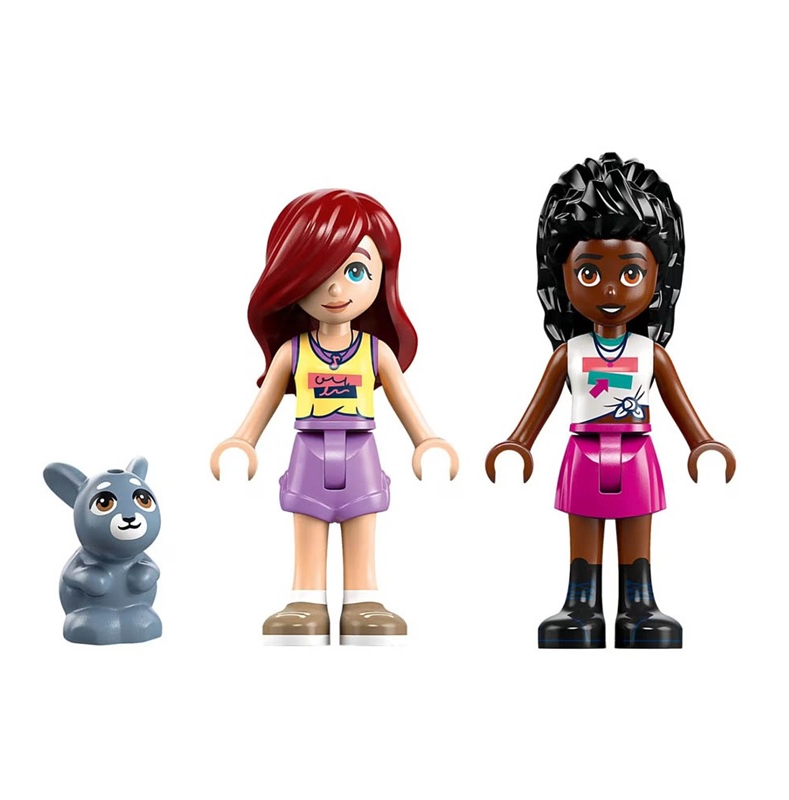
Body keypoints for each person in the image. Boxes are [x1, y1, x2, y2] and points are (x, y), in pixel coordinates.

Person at [486, 154, 735, 649]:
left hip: (638, 450)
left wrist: (703, 444)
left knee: (637, 527)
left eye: (631, 273)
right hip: (583, 450)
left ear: (657, 276)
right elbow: (537, 410)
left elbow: (682, 409)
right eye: (589, 273)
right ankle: (581, 601)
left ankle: (638, 601)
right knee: (583, 527)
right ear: (562, 275)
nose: (611, 289)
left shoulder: (650, 354)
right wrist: (517, 445)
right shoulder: (569, 353)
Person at [211, 189, 458, 645]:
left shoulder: (375, 353)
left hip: (362, 451)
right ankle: (306, 599)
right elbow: (260, 410)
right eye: (318, 273)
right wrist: (241, 443)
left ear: (381, 276)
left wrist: (427, 442)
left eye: (355, 270)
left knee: (363, 521)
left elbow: (409, 411)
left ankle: (363, 598)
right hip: (307, 450)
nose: (336, 289)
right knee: (307, 521)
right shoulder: (293, 353)